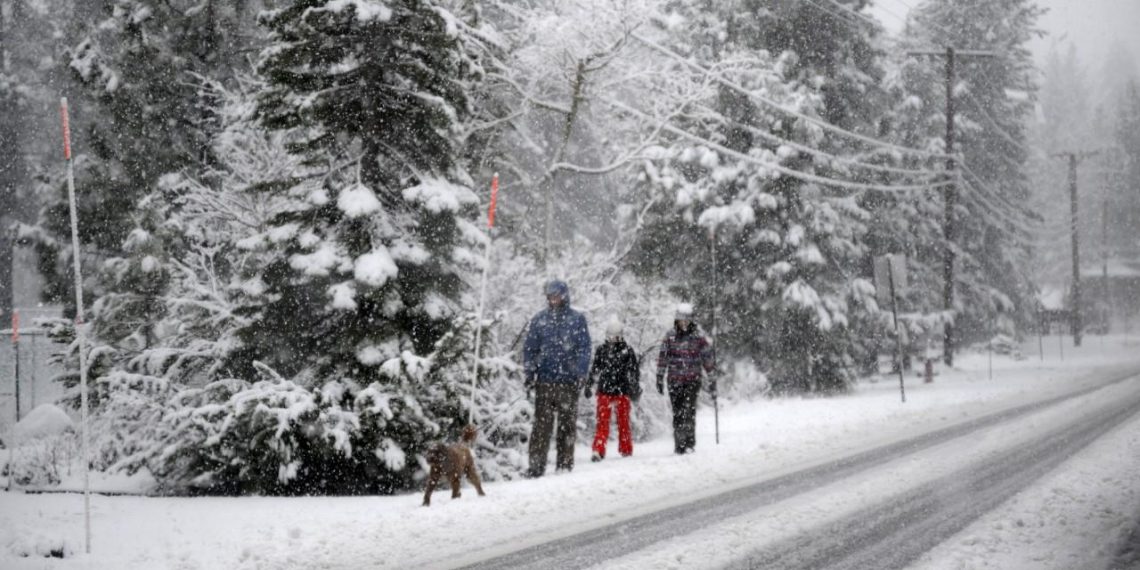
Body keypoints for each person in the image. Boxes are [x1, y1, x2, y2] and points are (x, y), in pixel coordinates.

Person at [522, 280, 592, 477]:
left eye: (557, 295)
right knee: (541, 427)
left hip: (568, 383)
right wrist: (529, 373)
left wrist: (580, 372)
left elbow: (584, 348)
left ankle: (564, 465)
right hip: (544, 381)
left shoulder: (577, 319)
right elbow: (529, 349)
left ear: (564, 295)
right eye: (550, 296)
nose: (553, 299)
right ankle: (536, 467)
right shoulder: (539, 320)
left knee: (567, 426)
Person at [655, 303, 715, 455]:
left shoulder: (698, 337)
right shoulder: (670, 336)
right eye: (681, 320)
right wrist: (660, 377)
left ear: (691, 321)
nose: (683, 323)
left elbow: (707, 358)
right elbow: (663, 357)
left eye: (686, 320)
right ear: (676, 321)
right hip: (674, 380)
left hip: (692, 380)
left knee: (689, 411)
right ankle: (679, 445)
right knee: (678, 413)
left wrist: (712, 378)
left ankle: (689, 443)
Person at [585, 319, 642, 462]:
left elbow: (634, 371)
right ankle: (598, 450)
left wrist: (635, 386)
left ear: (621, 335)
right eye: (610, 336)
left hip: (622, 391)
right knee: (602, 422)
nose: (613, 339)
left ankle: (626, 449)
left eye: (615, 336)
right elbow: (594, 369)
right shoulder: (601, 350)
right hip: (604, 391)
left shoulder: (627, 351)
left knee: (624, 422)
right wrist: (589, 384)